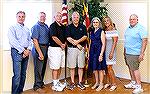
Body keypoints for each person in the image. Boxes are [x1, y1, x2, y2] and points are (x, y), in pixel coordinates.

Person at [8, 11, 32, 94]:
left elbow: (30, 40)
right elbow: (13, 41)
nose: (21, 18)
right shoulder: (12, 27)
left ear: (24, 17)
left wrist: (28, 50)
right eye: (19, 16)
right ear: (16, 17)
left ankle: (20, 92)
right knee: (17, 76)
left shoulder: (27, 29)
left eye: (23, 16)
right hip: (16, 52)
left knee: (23, 75)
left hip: (26, 52)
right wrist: (23, 51)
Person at [124, 14, 148, 94]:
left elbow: (145, 41)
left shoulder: (141, 28)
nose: (132, 20)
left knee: (135, 69)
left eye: (133, 19)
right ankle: (133, 83)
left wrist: (142, 53)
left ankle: (139, 86)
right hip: (128, 52)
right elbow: (127, 40)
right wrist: (124, 51)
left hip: (135, 53)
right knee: (130, 68)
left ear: (137, 20)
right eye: (130, 19)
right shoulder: (128, 28)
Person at [66, 11, 87, 90]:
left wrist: (77, 42)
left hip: (81, 49)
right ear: (72, 18)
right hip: (72, 49)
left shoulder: (83, 26)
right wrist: (77, 44)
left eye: (77, 17)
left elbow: (85, 36)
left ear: (79, 18)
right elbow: (68, 38)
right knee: (72, 67)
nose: (76, 19)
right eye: (74, 17)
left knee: (81, 66)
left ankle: (80, 82)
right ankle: (72, 82)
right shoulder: (68, 27)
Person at [31, 12, 49, 93]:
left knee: (43, 67)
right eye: (41, 16)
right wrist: (40, 53)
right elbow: (35, 40)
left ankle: (40, 83)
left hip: (46, 48)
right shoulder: (36, 26)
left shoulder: (46, 26)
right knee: (38, 68)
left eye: (44, 17)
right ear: (38, 17)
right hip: (39, 48)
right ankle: (37, 86)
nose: (42, 18)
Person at [48, 12, 66, 91]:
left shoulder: (63, 26)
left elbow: (66, 37)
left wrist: (64, 44)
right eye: (57, 16)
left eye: (60, 16)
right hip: (54, 49)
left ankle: (57, 82)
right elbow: (54, 37)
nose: (59, 17)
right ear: (54, 17)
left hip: (62, 49)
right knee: (55, 67)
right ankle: (54, 84)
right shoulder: (52, 26)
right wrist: (61, 44)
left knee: (60, 66)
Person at [88, 17, 106, 91]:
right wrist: (89, 53)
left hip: (99, 51)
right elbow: (90, 43)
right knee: (95, 69)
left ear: (99, 23)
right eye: (94, 22)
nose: (95, 23)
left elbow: (104, 44)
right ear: (92, 23)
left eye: (97, 22)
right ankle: (97, 82)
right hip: (92, 51)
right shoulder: (91, 32)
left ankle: (101, 84)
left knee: (100, 68)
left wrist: (101, 54)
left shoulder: (101, 31)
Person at [102, 16, 118, 91]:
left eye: (107, 20)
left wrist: (111, 52)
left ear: (110, 21)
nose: (106, 22)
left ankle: (114, 84)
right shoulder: (105, 30)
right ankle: (108, 82)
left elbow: (115, 42)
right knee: (106, 68)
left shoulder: (113, 30)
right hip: (105, 51)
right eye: (105, 21)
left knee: (109, 67)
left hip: (111, 51)